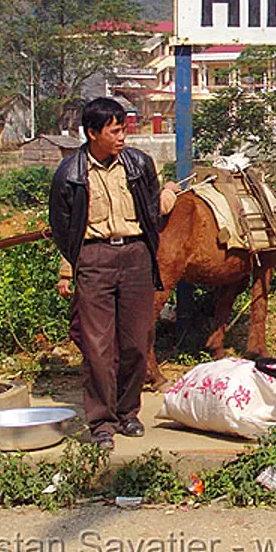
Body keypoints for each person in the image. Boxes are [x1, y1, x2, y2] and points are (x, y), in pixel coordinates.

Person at [48, 98, 179, 449]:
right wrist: (76, 263)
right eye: (115, 130)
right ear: (92, 133)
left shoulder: (138, 164)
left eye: (124, 129)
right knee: (97, 347)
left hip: (135, 257)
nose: (122, 137)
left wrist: (168, 195)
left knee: (137, 341)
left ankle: (127, 412)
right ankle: (101, 422)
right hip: (93, 259)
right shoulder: (69, 175)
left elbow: (151, 209)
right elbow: (62, 228)